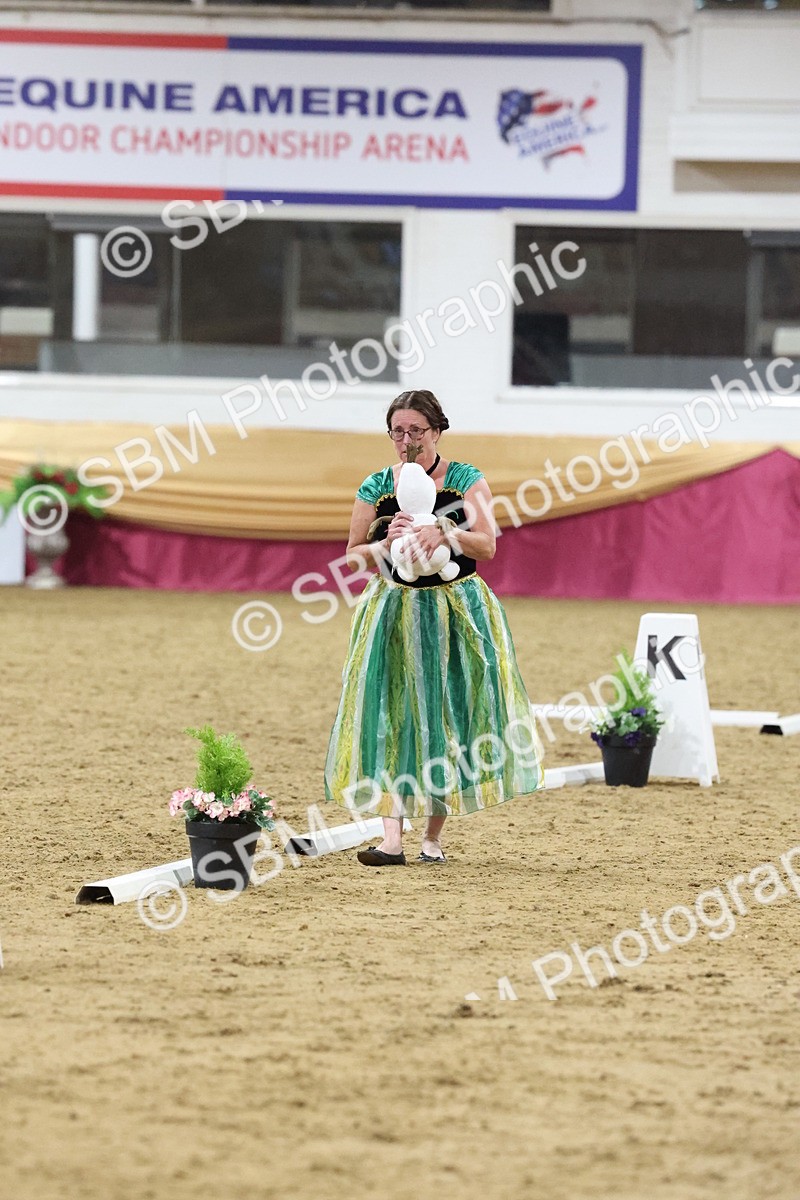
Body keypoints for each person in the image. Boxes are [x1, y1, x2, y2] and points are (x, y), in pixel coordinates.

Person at [324, 389, 543, 866]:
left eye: (416, 431)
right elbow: (351, 556)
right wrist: (387, 542)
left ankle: (432, 838)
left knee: (449, 711)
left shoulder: (466, 480)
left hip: (455, 606)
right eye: (398, 431)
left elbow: (486, 546)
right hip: (394, 608)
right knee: (392, 712)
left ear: (437, 431)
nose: (406, 441)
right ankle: (391, 839)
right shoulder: (375, 486)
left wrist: (446, 531)